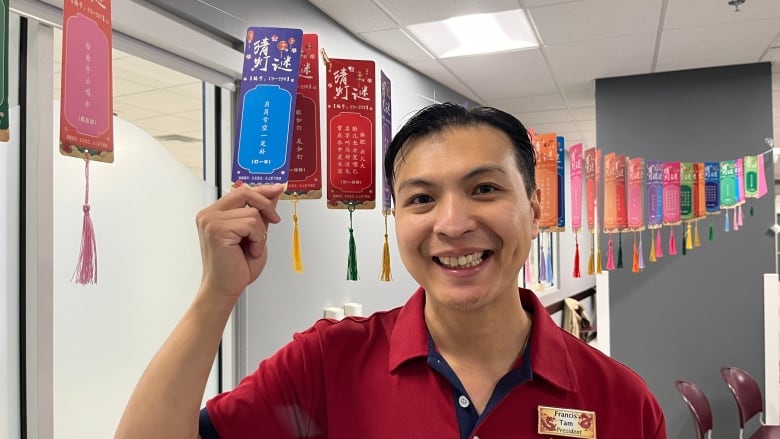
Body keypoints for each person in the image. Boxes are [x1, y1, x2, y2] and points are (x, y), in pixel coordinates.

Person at [115, 103, 666, 438]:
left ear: (536, 207)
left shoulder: (619, 400)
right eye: (422, 198)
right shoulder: (327, 365)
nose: (452, 224)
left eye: (485, 189)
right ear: (397, 217)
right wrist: (217, 293)